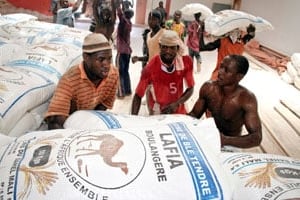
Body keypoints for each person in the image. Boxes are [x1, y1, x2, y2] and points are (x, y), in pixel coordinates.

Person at [45, 33, 119, 129]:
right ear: (86, 57)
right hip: (69, 124)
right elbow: (55, 123)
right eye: (101, 59)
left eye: (109, 59)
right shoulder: (70, 80)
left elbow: (104, 105)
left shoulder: (113, 75)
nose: (106, 65)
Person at [188, 54, 262, 149]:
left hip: (232, 144)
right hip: (209, 136)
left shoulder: (246, 99)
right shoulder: (208, 88)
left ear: (239, 77)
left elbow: (257, 137)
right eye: (221, 67)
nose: (220, 72)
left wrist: (224, 140)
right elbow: (194, 115)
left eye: (226, 70)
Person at [131, 30, 194, 115]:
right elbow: (138, 95)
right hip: (158, 109)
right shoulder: (150, 67)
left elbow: (190, 88)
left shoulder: (186, 62)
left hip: (178, 106)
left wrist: (177, 103)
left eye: (172, 47)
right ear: (160, 47)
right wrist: (133, 118)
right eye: (165, 47)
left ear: (177, 48)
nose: (168, 51)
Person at [116, 7, 134, 98]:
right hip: (127, 51)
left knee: (119, 72)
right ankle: (128, 90)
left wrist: (117, 4)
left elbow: (119, 14)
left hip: (121, 51)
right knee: (125, 71)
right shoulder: (129, 23)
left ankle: (121, 93)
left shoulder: (124, 23)